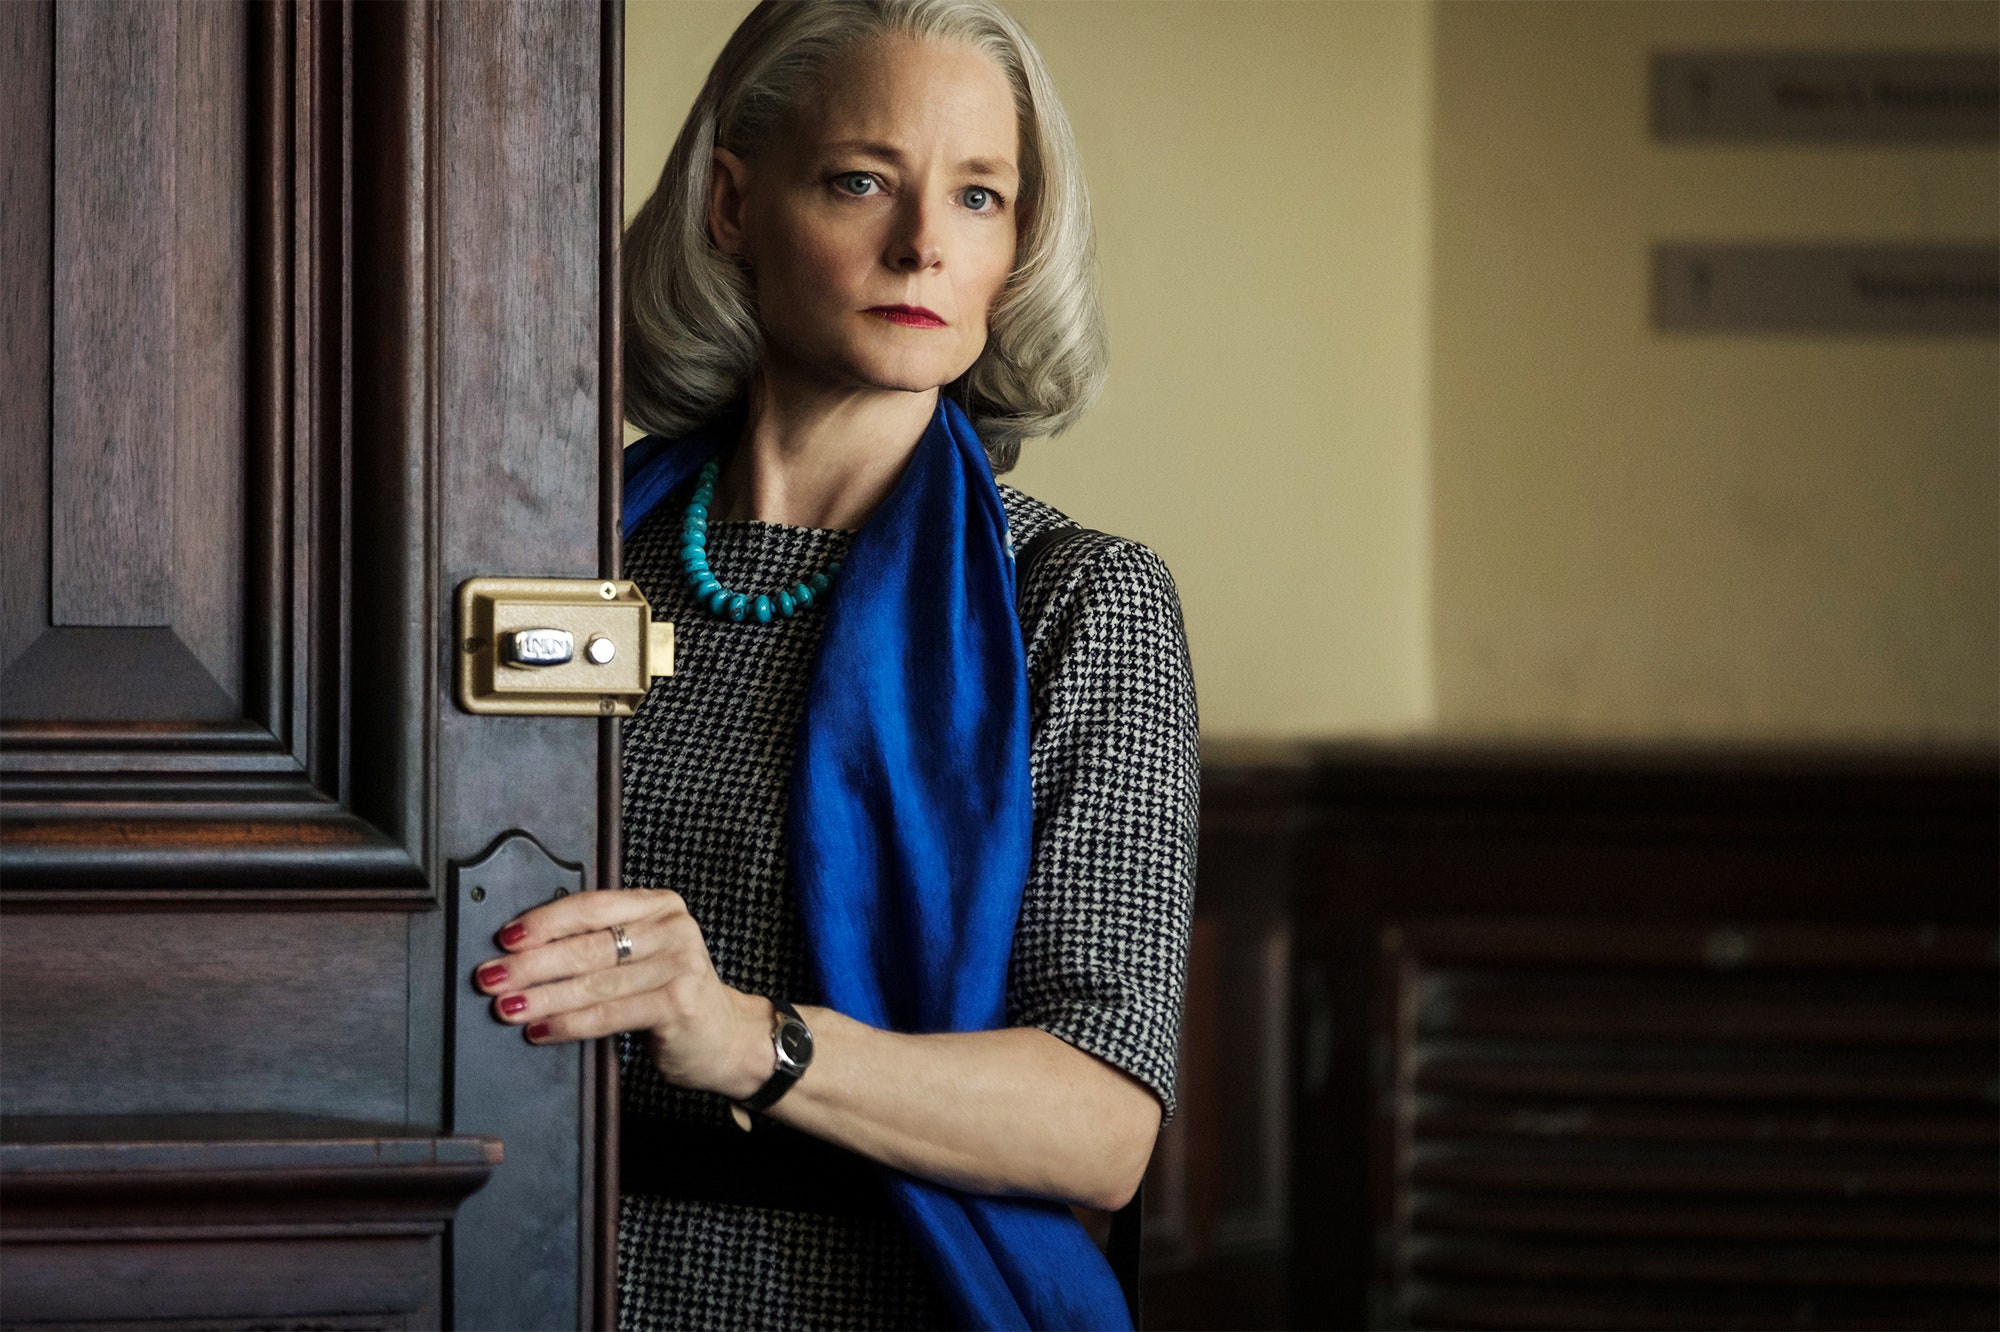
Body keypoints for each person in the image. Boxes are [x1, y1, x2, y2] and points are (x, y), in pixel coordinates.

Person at [472, 2, 1198, 1326]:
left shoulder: (1079, 600)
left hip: (869, 1291)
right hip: (512, 1265)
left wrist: (745, 1036)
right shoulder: (558, 557)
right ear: (734, 205)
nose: (924, 243)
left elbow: (1103, 1127)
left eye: (978, 197)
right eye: (863, 181)